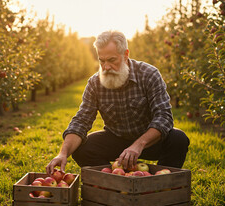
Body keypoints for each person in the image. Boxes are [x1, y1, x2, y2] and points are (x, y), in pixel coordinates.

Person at [45, 30, 189, 175]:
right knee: (81, 148)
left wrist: (138, 145)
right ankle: (112, 179)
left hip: (148, 141)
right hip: (116, 139)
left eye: (112, 60)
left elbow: (164, 117)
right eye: (102, 60)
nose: (106, 67)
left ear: (126, 55)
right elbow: (81, 121)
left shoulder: (149, 75)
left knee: (178, 139)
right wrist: (63, 153)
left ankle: (161, 182)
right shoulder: (95, 83)